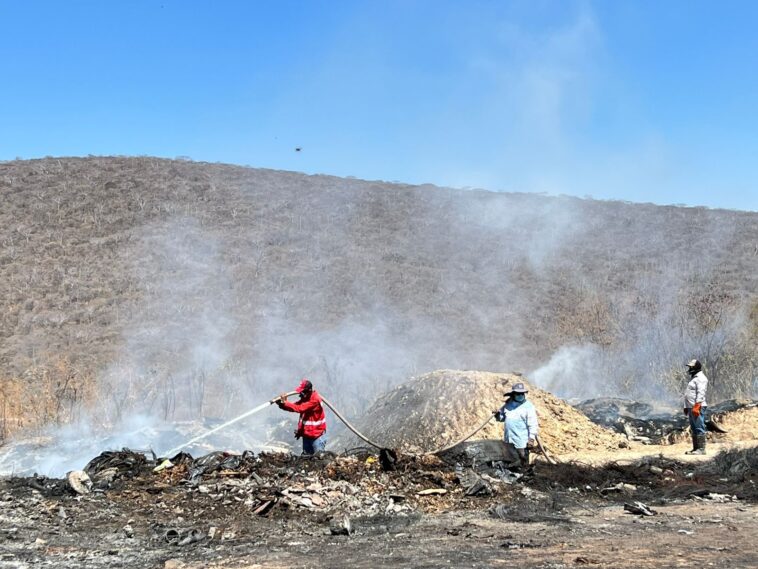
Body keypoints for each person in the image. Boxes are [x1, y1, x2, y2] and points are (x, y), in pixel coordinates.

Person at [493, 382, 539, 470]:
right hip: (509, 440)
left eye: (522, 394)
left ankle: (524, 478)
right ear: (513, 394)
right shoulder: (508, 405)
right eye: (518, 394)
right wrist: (497, 414)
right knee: (509, 462)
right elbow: (501, 418)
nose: (520, 395)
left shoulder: (528, 407)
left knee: (522, 463)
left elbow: (533, 424)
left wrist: (531, 439)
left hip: (521, 442)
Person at [276, 379, 327, 455]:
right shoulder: (306, 398)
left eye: (302, 391)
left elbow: (300, 408)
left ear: (308, 390)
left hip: (317, 436)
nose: (301, 393)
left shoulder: (315, 400)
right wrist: (282, 404)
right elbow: (295, 406)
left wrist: (285, 402)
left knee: (318, 460)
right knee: (306, 460)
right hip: (307, 436)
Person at [683, 359, 708, 455]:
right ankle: (695, 448)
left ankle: (701, 449)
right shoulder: (694, 378)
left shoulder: (701, 378)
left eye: (691, 367)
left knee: (699, 426)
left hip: (697, 406)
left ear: (696, 367)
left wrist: (697, 405)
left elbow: (701, 393)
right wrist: (686, 406)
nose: (689, 369)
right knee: (694, 427)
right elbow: (688, 394)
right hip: (691, 406)